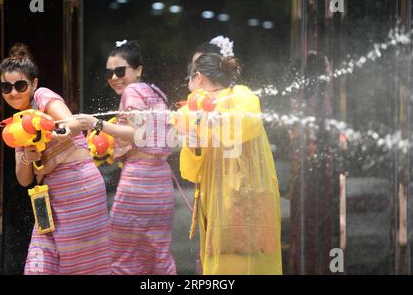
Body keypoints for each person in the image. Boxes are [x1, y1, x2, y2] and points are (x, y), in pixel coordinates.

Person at [0, 43, 111, 275]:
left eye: (20, 85)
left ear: (34, 84)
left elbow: (71, 123)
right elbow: (23, 180)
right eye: (5, 87)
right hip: (48, 202)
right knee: (37, 269)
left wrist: (49, 132)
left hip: (79, 190)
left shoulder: (42, 96)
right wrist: (27, 157)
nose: (13, 92)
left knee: (80, 268)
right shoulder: (16, 123)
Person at [176, 52, 283, 274]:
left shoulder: (242, 96)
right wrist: (194, 143)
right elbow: (191, 172)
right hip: (216, 209)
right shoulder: (194, 111)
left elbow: (244, 125)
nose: (189, 89)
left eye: (189, 81)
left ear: (197, 77)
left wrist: (209, 114)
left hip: (247, 204)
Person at [76, 40, 177, 275]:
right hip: (161, 181)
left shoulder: (133, 91)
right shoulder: (155, 93)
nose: (114, 77)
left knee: (122, 256)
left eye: (120, 71)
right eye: (109, 72)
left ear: (138, 69)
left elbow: (136, 134)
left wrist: (97, 124)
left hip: (139, 180)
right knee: (158, 256)